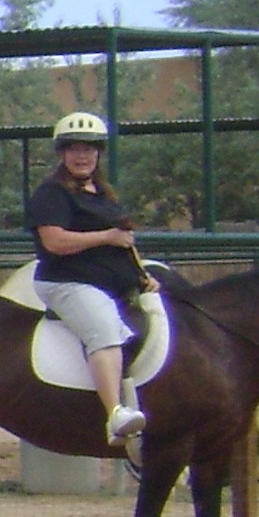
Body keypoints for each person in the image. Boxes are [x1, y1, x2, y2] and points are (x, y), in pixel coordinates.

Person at [27, 111, 155, 442]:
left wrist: (141, 277)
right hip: (67, 282)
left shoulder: (103, 194)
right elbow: (54, 241)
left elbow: (123, 238)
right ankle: (114, 414)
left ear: (98, 154)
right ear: (62, 153)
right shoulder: (51, 194)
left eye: (89, 149)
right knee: (104, 330)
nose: (82, 156)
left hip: (110, 282)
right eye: (74, 149)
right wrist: (105, 237)